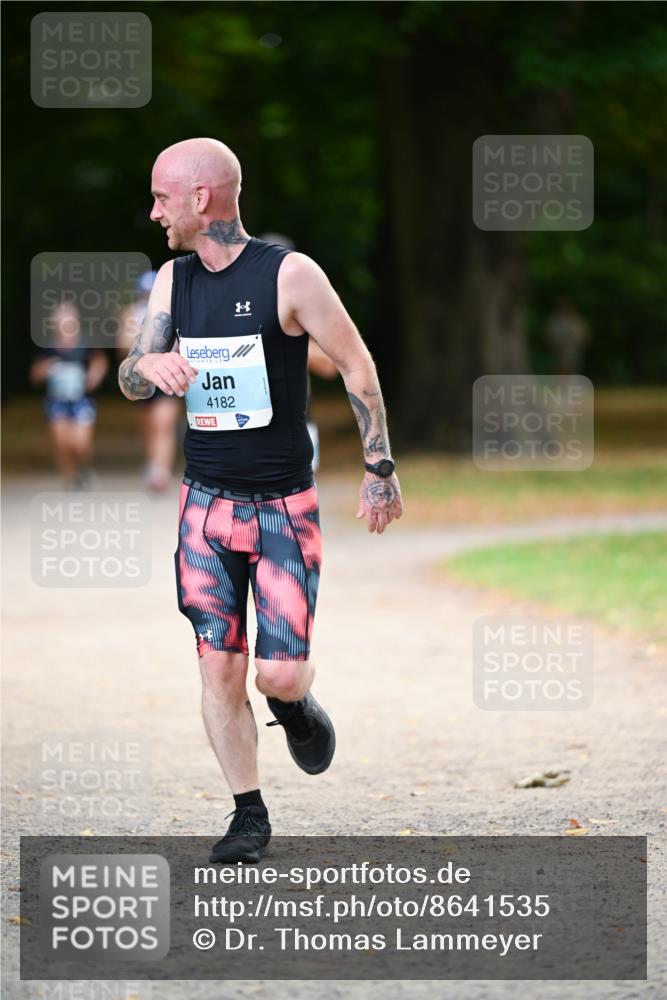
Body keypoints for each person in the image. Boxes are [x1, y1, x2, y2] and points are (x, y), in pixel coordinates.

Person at [119, 138, 403, 863]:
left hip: (282, 504)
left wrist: (379, 466)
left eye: (161, 198)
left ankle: (292, 704)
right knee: (217, 661)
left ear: (200, 197)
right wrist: (145, 362)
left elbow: (354, 361)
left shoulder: (290, 275)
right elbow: (131, 377)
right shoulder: (172, 284)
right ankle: (248, 813)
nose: (153, 212)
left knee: (275, 670)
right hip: (204, 504)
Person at [31, 301, 108, 489]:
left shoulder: (85, 344)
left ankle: (84, 467)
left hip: (81, 400)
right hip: (56, 400)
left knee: (80, 443)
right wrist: (46, 368)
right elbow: (35, 375)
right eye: (60, 320)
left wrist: (93, 376)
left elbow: (100, 362)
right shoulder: (48, 347)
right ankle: (70, 476)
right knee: (61, 441)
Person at [117, 270, 182, 491]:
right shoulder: (131, 313)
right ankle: (152, 461)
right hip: (143, 375)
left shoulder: (176, 309)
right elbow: (122, 346)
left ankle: (160, 472)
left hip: (167, 373)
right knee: (148, 426)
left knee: (163, 424)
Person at [544, 297, 591, 375]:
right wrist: (553, 345)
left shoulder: (576, 320)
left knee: (571, 370)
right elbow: (547, 336)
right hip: (557, 353)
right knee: (559, 371)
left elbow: (585, 335)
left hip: (573, 353)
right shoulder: (553, 321)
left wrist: (578, 344)